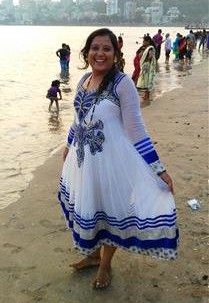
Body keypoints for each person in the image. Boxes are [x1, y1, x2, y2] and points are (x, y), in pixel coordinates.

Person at [58, 28, 178, 290]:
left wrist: (159, 170)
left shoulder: (122, 84)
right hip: (84, 161)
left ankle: (104, 264)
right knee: (91, 207)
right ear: (87, 52)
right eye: (95, 48)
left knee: (110, 212)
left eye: (106, 49)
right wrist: (68, 145)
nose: (100, 53)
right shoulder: (83, 80)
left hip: (114, 163)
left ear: (115, 54)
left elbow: (137, 130)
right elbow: (78, 118)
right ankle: (92, 255)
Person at [136, 36, 157, 101]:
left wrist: (146, 60)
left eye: (144, 41)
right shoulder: (147, 48)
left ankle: (147, 96)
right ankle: (146, 95)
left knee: (147, 81)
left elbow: (150, 56)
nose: (143, 42)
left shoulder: (150, 48)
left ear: (147, 41)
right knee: (146, 81)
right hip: (146, 66)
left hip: (147, 67)